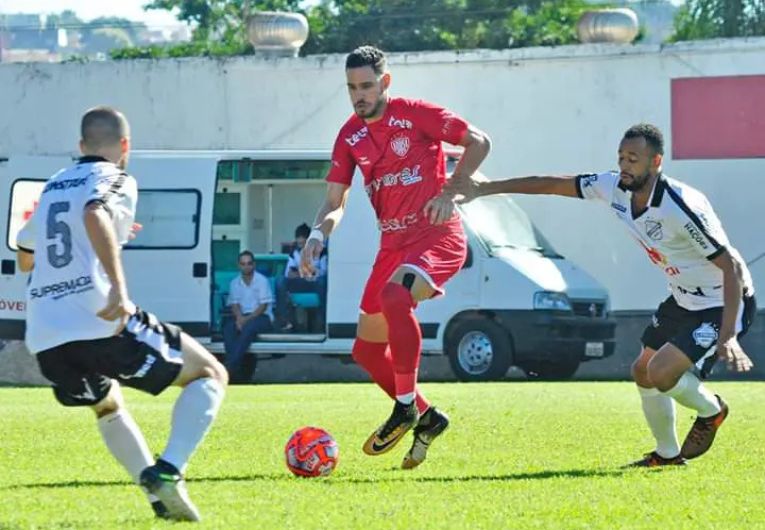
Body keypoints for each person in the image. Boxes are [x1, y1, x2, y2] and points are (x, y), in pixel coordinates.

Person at [449, 123, 756, 467]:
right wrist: (486, 188)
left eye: (634, 159)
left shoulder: (680, 207)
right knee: (642, 371)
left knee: (661, 373)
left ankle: (712, 410)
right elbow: (552, 184)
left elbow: (730, 267)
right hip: (683, 297)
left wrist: (728, 336)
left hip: (722, 301)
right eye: (622, 157)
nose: (625, 165)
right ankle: (667, 455)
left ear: (656, 162)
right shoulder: (613, 187)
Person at [14, 106, 227, 522]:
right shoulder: (116, 177)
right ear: (125, 146)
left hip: (46, 337)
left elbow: (26, 256)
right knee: (209, 374)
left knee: (108, 405)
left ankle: (158, 500)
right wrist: (119, 287)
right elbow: (95, 212)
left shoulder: (55, 185)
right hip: (96, 317)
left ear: (80, 146)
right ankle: (168, 470)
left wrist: (102, 238)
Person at [300, 45, 491, 469]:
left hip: (437, 238)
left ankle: (404, 406)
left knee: (395, 297)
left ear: (385, 82)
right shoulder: (349, 136)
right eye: (352, 88)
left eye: (367, 85)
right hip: (392, 247)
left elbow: (479, 142)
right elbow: (335, 200)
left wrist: (449, 191)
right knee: (366, 351)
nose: (359, 95)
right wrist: (317, 236)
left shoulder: (415, 114)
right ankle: (426, 415)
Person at [223, 250, 274, 382]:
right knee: (229, 329)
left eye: (249, 263)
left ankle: (229, 367)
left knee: (249, 328)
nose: (246, 266)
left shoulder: (262, 281)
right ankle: (235, 369)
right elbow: (234, 304)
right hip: (243, 317)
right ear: (239, 265)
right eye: (243, 264)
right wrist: (239, 318)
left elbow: (263, 306)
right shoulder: (234, 283)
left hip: (262, 317)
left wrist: (245, 320)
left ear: (254, 265)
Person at [276, 223, 328, 332]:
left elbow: (323, 272)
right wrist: (305, 273)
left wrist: (310, 273)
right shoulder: (294, 252)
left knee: (322, 282)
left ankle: (322, 319)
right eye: (299, 243)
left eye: (303, 243)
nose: (301, 246)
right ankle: (285, 320)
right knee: (280, 281)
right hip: (300, 281)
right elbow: (288, 273)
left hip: (314, 283)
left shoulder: (321, 251)